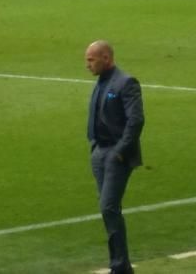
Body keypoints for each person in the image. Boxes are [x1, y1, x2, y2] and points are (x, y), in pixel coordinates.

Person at [85, 41, 145, 274]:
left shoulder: (125, 83)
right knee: (108, 209)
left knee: (108, 207)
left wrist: (120, 151)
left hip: (115, 154)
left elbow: (136, 120)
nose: (87, 64)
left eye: (91, 59)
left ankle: (120, 267)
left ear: (106, 58)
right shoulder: (101, 82)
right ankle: (121, 266)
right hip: (99, 152)